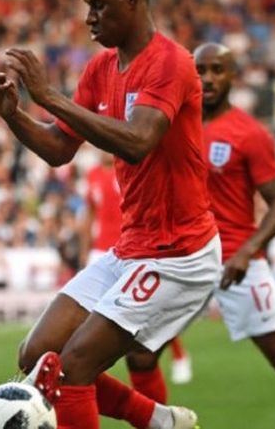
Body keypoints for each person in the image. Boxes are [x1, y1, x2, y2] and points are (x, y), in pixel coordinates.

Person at [0, 0, 220, 428]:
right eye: (87, 5)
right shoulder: (101, 68)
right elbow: (57, 149)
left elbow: (137, 140)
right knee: (35, 355)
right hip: (132, 248)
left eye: (99, 4)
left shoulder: (170, 63)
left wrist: (48, 95)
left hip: (179, 254)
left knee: (71, 370)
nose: (89, 16)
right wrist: (13, 116)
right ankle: (158, 419)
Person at [126, 43, 275, 429]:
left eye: (218, 69)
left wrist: (246, 253)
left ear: (234, 76)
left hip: (237, 258)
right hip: (184, 257)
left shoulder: (249, 134)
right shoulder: (169, 124)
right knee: (140, 355)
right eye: (200, 69)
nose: (208, 78)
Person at [80, 150, 193, 396]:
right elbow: (89, 214)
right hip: (100, 251)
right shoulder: (92, 175)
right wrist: (84, 248)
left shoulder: (130, 167)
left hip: (130, 248)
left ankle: (179, 354)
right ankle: (93, 367)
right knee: (93, 315)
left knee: (148, 312)